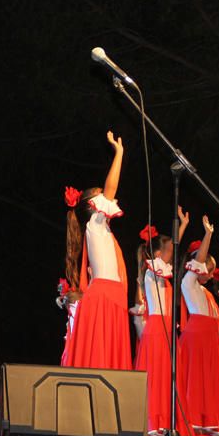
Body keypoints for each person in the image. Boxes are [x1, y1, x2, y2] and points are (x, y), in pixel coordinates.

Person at [63, 131, 131, 370]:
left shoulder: (103, 231)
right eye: (100, 196)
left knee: (108, 362)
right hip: (104, 296)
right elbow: (111, 188)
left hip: (110, 295)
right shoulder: (95, 224)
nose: (106, 196)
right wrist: (119, 153)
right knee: (101, 362)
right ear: (94, 207)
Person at [133, 209, 189, 436]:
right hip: (156, 329)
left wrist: (183, 225)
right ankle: (152, 421)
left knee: (167, 375)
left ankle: (165, 420)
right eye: (166, 250)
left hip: (166, 328)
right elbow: (170, 250)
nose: (171, 254)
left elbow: (173, 248)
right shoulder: (153, 268)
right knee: (156, 375)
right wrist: (180, 228)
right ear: (157, 252)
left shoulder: (160, 270)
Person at [177, 215, 219, 436]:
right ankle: (192, 420)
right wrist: (208, 235)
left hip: (209, 339)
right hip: (196, 337)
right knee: (196, 380)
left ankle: (207, 420)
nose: (210, 275)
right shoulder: (188, 282)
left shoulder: (207, 292)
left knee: (208, 381)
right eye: (208, 269)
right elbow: (198, 264)